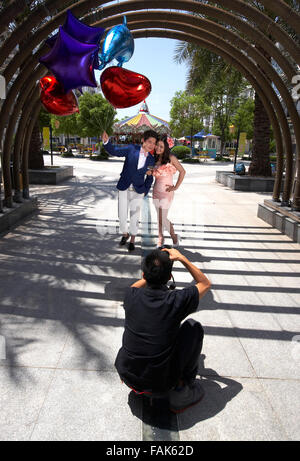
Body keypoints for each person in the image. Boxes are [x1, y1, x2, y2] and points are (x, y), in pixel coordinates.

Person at [115, 247, 211, 414]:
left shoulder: (131, 295)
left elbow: (134, 286)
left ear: (144, 275)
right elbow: (205, 283)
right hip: (158, 383)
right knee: (193, 328)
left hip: (128, 374)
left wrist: (151, 272)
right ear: (169, 278)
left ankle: (147, 387)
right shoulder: (175, 300)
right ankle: (182, 390)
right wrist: (182, 259)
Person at [102, 130, 159, 251]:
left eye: (154, 143)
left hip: (138, 191)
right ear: (143, 140)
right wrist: (106, 142)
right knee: (122, 215)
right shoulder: (131, 148)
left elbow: (150, 177)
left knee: (134, 216)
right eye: (149, 141)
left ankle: (132, 239)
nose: (151, 145)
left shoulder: (151, 160)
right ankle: (125, 234)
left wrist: (145, 190)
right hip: (124, 187)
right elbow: (115, 152)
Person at [147, 136, 186, 248]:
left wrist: (175, 187)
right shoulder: (154, 158)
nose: (158, 148)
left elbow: (182, 171)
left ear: (166, 148)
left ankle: (173, 236)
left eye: (161, 146)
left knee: (162, 218)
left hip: (166, 192)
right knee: (159, 217)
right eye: (157, 145)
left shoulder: (171, 158)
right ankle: (161, 238)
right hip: (156, 192)